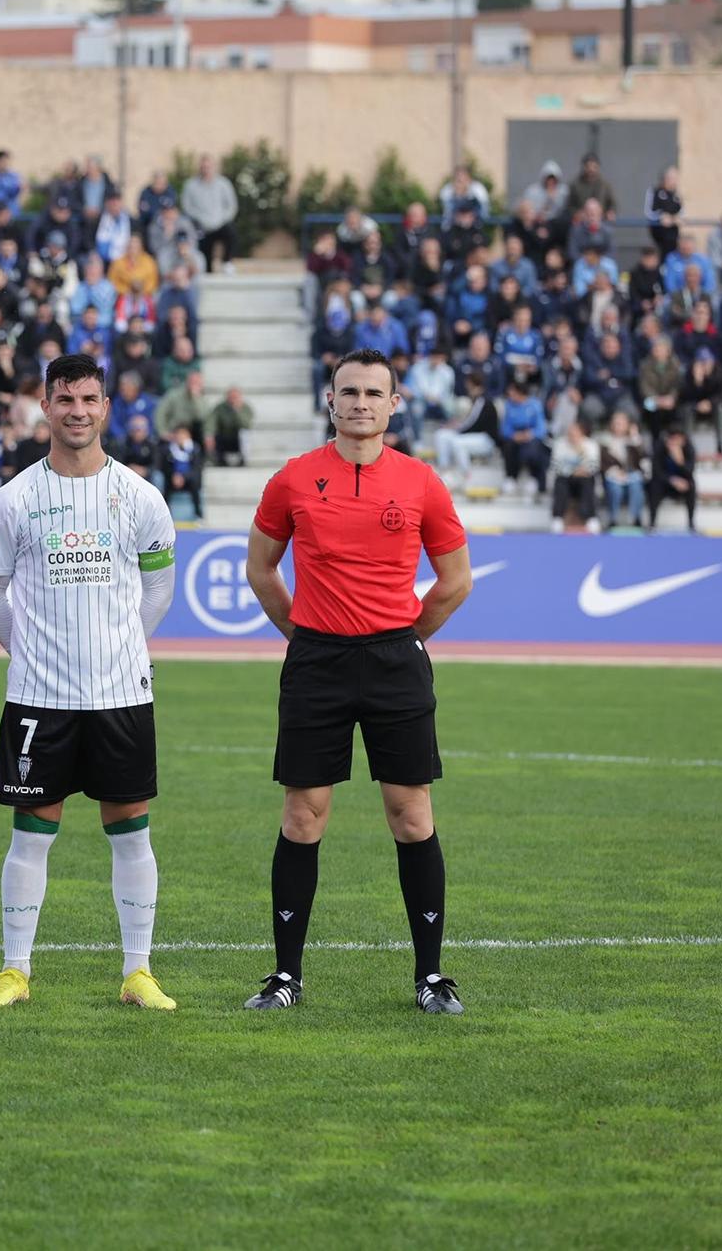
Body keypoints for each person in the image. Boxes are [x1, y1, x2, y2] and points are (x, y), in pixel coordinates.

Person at [243, 347, 472, 1015]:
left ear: (394, 404)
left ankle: (430, 978)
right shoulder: (292, 479)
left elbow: (455, 580)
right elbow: (261, 566)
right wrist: (300, 631)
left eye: (375, 394)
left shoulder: (421, 481)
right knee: (303, 815)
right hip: (317, 662)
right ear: (330, 401)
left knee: (411, 815)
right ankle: (285, 977)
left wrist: (407, 639)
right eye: (349, 392)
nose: (361, 404)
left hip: (395, 663)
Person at [0, 354, 180, 1012]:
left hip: (122, 695)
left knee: (132, 829)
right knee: (32, 830)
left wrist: (123, 648)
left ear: (105, 407)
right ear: (45, 404)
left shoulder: (141, 498)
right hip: (40, 698)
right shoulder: (15, 499)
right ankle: (14, 971)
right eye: (65, 400)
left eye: (89, 399)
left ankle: (138, 971)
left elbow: (157, 587)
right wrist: (28, 649)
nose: (78, 411)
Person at [181, 152, 239, 273]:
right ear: (200, 168)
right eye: (203, 167)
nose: (206, 170)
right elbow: (187, 207)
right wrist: (200, 219)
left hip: (220, 224)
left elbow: (231, 206)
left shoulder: (224, 184)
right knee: (205, 256)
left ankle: (227, 263)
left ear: (214, 167)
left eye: (208, 167)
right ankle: (207, 272)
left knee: (231, 232)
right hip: (201, 226)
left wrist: (220, 220)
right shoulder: (190, 185)